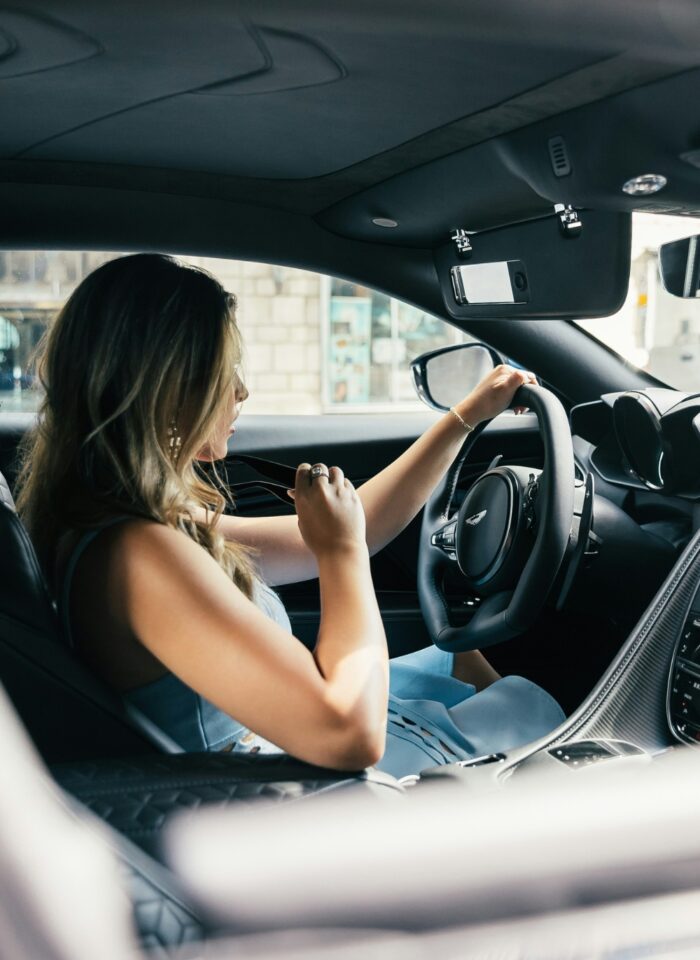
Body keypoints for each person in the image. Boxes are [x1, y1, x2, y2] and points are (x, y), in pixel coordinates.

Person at [16, 254, 564, 778]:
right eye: (224, 371)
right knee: (535, 729)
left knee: (458, 658)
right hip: (269, 789)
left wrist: (465, 416)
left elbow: (363, 524)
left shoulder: (130, 521)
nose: (240, 391)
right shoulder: (140, 554)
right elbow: (351, 734)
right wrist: (340, 553)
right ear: (168, 390)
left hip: (274, 751)